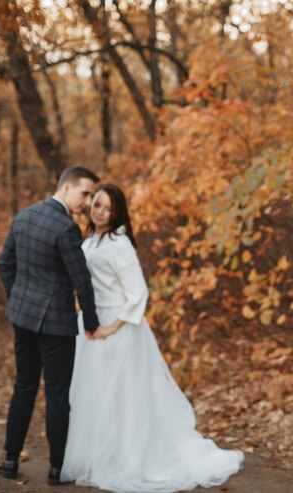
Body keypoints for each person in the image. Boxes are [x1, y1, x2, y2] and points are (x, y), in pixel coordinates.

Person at [61, 184, 244, 492]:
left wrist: (112, 327)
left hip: (118, 328)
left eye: (108, 208)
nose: (101, 212)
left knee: (123, 396)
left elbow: (137, 293)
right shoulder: (89, 239)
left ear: (117, 212)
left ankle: (129, 458)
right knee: (95, 394)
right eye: (97, 205)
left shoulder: (119, 243)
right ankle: (98, 453)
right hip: (91, 324)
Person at [0, 166, 102, 485]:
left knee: (24, 386)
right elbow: (81, 280)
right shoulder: (66, 228)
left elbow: (4, 264)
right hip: (56, 324)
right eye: (85, 193)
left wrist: (19, 301)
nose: (87, 201)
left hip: (22, 319)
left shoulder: (24, 216)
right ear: (66, 188)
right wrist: (92, 321)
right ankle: (56, 470)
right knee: (57, 394)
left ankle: (10, 461)